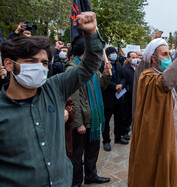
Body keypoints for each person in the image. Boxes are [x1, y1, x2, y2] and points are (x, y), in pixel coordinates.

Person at [0, 12, 103, 186]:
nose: (39, 68)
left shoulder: (55, 88)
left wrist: (91, 32)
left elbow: (90, 64)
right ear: (9, 64)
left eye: (44, 63)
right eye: (31, 61)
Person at [129, 37, 177, 187]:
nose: (168, 58)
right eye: (164, 55)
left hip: (171, 133)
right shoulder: (147, 76)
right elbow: (164, 83)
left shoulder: (160, 75)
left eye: (169, 54)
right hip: (156, 137)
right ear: (153, 58)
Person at [66, 37, 111, 186]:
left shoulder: (91, 68)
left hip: (94, 118)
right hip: (82, 121)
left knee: (92, 152)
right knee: (77, 156)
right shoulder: (73, 69)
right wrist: (78, 124)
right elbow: (74, 100)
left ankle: (91, 175)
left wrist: (106, 74)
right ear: (85, 52)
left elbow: (101, 87)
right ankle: (76, 182)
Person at [101, 46, 128, 152]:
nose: (114, 54)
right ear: (107, 55)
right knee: (106, 121)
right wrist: (114, 86)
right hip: (108, 98)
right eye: (112, 53)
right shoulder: (102, 66)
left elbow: (123, 77)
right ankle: (106, 141)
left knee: (119, 118)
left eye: (115, 53)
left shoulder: (118, 65)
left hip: (119, 97)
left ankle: (118, 137)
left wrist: (121, 84)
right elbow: (104, 81)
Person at [122, 51, 137, 140]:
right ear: (128, 59)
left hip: (136, 95)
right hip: (128, 95)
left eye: (135, 57)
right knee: (126, 115)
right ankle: (125, 132)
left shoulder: (137, 68)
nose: (134, 59)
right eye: (132, 57)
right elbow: (124, 81)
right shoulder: (125, 69)